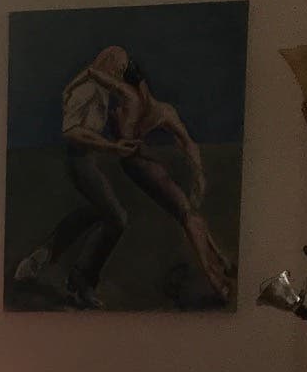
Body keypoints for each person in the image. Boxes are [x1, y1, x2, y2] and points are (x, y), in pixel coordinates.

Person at [13, 47, 235, 306]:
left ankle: (45, 257)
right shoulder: (89, 91)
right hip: (80, 162)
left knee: (98, 212)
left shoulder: (110, 93)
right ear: (108, 63)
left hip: (93, 160)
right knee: (117, 217)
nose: (118, 75)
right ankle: (80, 280)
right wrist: (112, 147)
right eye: (117, 68)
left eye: (122, 71)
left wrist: (193, 171)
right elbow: (71, 132)